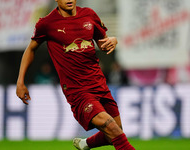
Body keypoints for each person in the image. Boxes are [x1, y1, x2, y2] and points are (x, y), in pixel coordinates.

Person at [16, 0, 135, 150]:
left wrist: (114, 40)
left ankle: (85, 144)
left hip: (99, 84)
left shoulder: (89, 15)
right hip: (77, 90)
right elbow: (31, 49)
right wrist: (20, 81)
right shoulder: (46, 23)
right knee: (111, 127)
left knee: (116, 133)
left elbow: (103, 45)